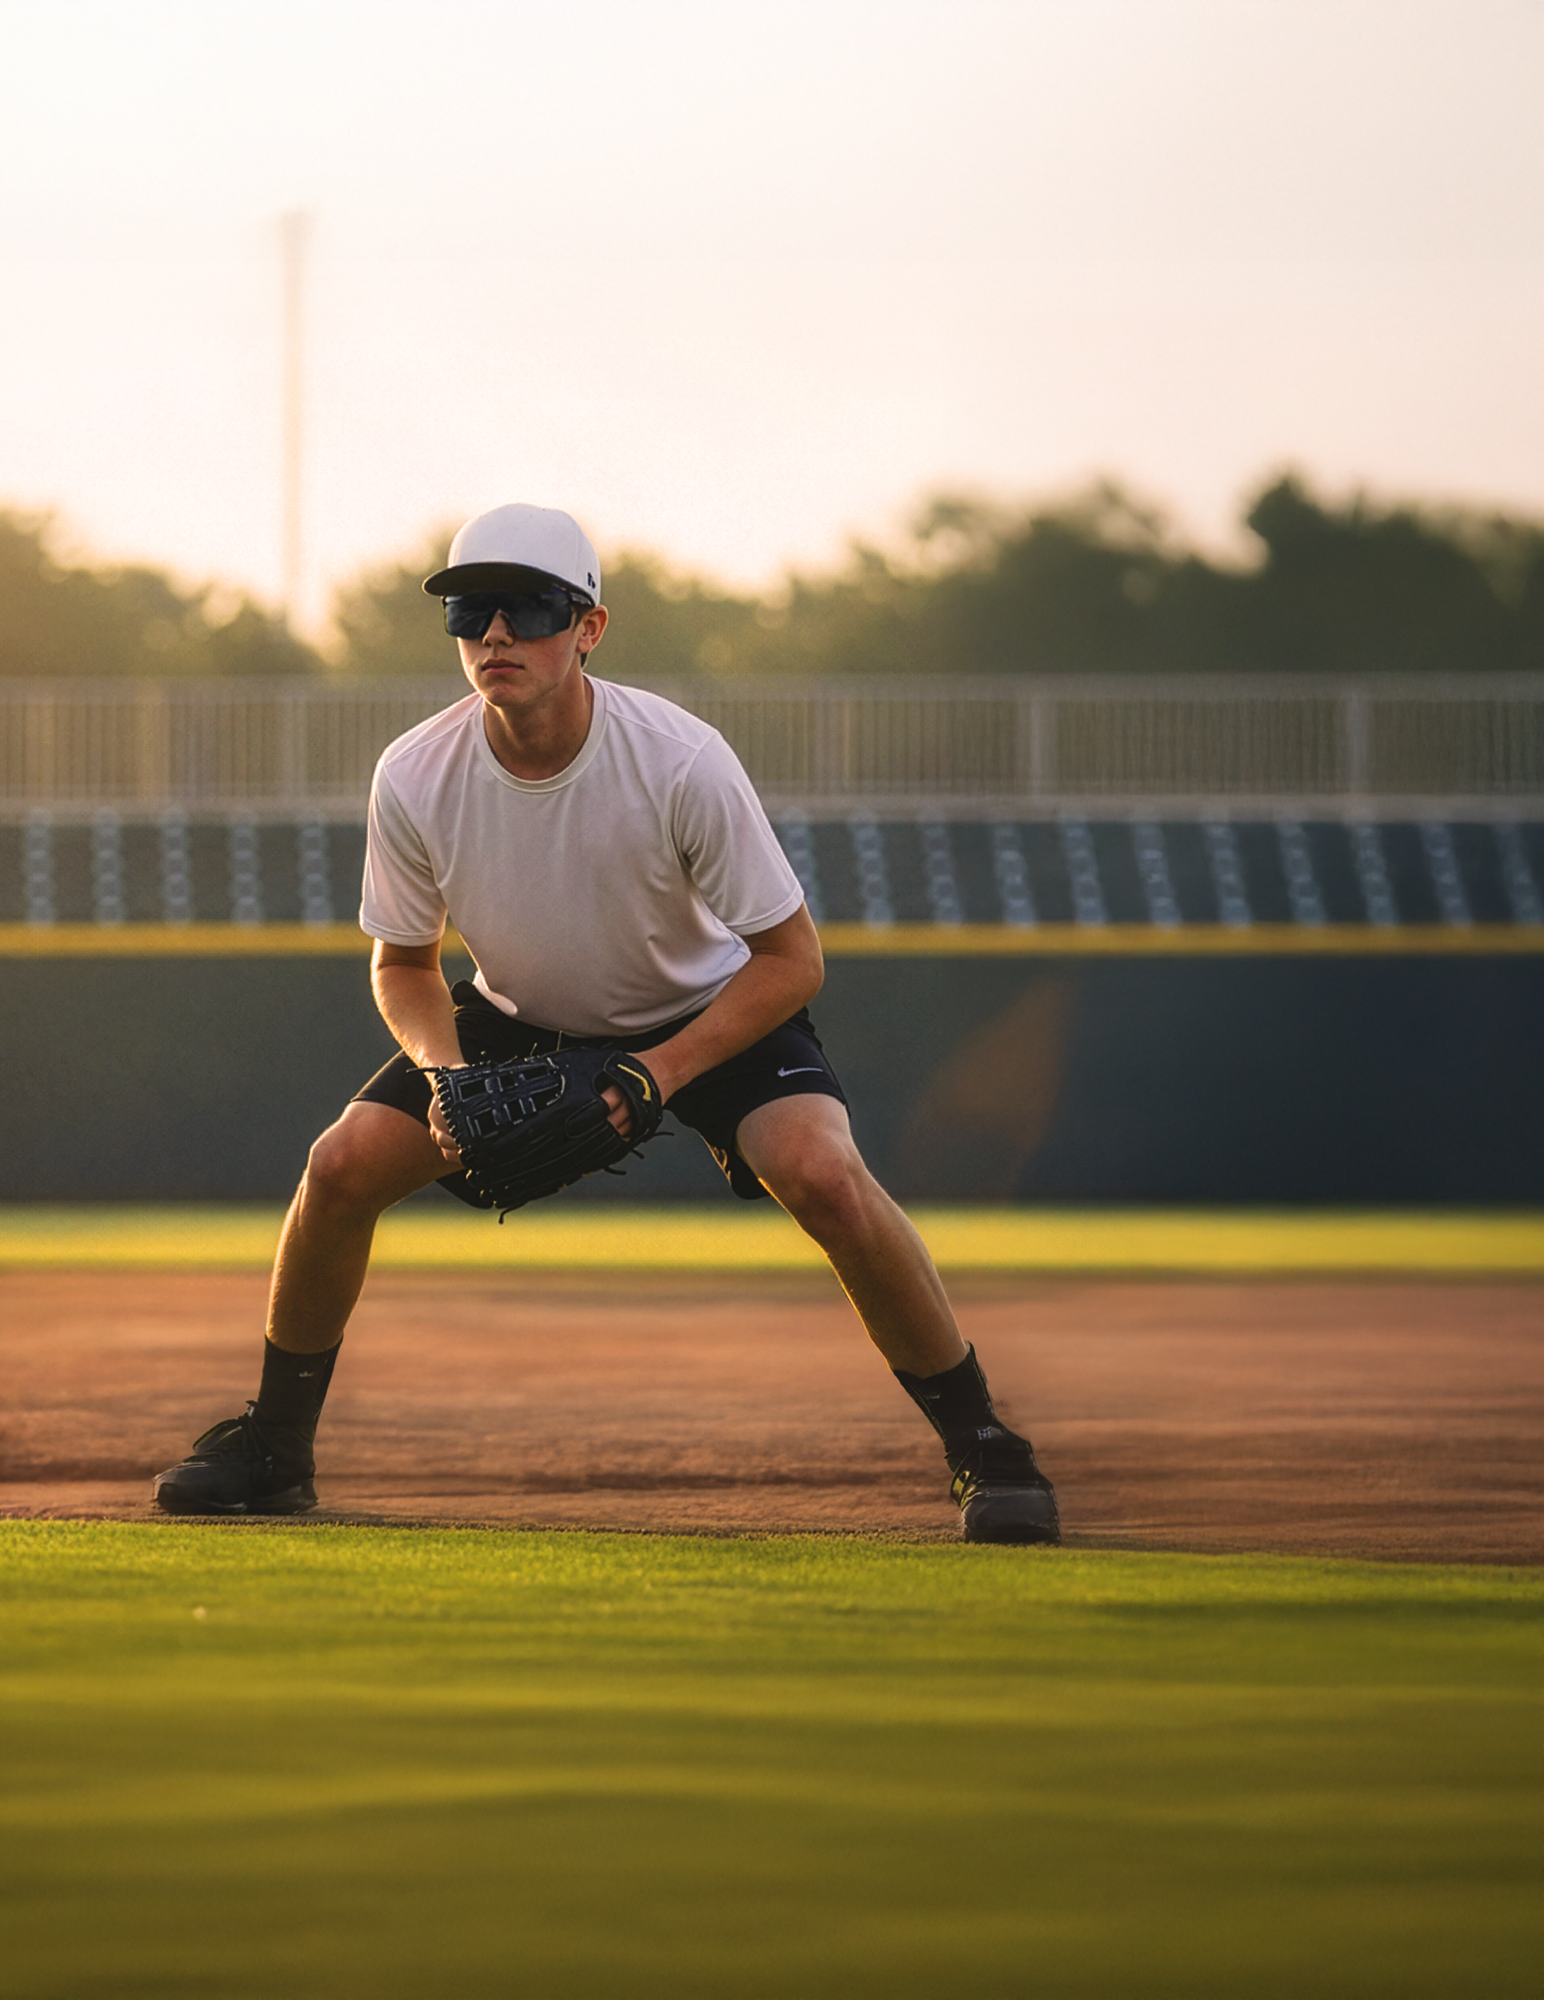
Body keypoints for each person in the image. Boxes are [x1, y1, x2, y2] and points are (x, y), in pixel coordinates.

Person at [154, 503, 1059, 1544]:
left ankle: (983, 1442)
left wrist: (655, 1073)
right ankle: (274, 1446)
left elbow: (791, 960)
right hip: (513, 1014)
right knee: (340, 1164)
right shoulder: (414, 771)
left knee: (820, 1174)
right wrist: (445, 1074)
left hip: (704, 1011)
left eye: (528, 606)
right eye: (469, 608)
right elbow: (402, 965)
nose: (494, 633)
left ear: (587, 627)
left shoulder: (677, 759)